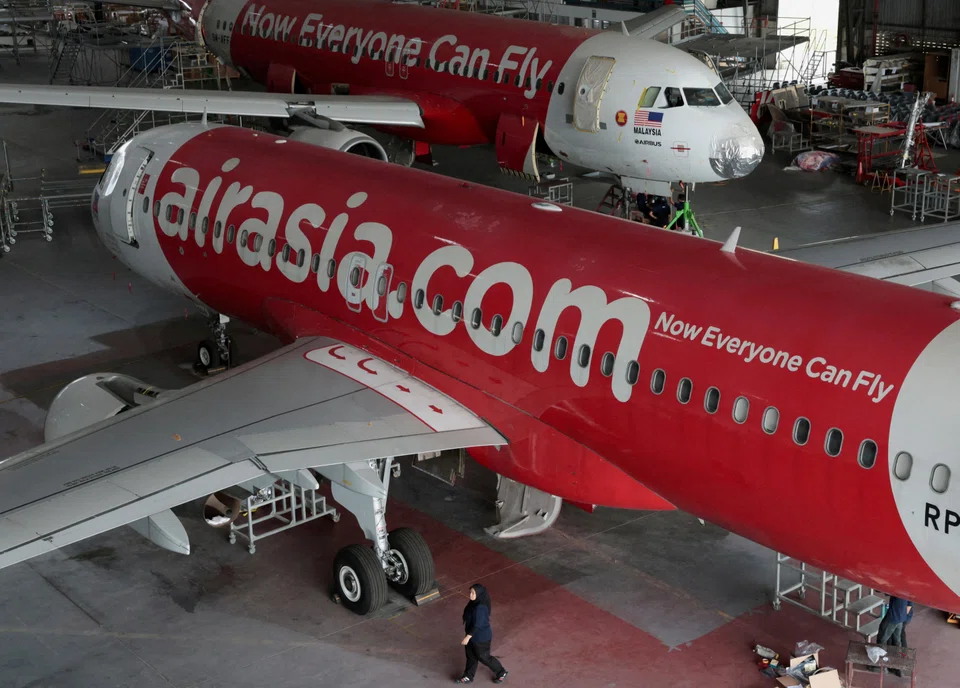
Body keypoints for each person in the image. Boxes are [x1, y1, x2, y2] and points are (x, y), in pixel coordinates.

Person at [456, 584, 508, 684]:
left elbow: (477, 624)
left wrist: (467, 637)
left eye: (473, 593)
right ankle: (468, 676)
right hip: (472, 635)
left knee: (483, 657)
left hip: (481, 638)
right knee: (471, 656)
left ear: (479, 594)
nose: (470, 595)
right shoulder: (474, 603)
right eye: (470, 592)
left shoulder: (480, 607)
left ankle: (502, 672)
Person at [876, 595, 913, 677]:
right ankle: (898, 668)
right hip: (901, 618)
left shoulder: (898, 588)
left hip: (893, 617)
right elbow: (909, 605)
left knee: (882, 639)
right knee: (897, 642)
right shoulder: (908, 590)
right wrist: (901, 615)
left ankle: (882, 666)